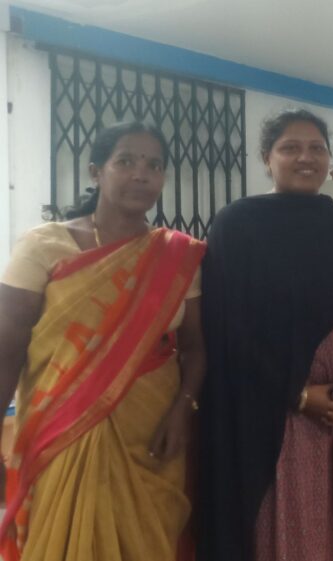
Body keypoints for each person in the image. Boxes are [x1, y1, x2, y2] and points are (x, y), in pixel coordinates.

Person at [0, 121, 206, 561]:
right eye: (125, 161)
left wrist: (182, 411)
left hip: (150, 432)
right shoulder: (44, 246)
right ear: (96, 171)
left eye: (154, 165)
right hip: (62, 426)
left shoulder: (177, 255)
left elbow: (195, 348)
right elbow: (6, 349)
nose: (141, 174)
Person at [197, 109, 333, 561]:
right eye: (290, 148)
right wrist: (298, 394)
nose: (306, 157)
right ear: (267, 157)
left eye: (316, 148)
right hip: (275, 416)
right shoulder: (237, 226)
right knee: (292, 528)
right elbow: (227, 327)